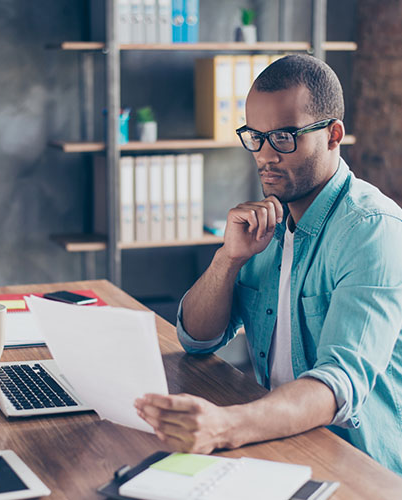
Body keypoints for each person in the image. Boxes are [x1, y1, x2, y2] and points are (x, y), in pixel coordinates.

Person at [135, 54, 402, 476]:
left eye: (283, 137)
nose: (264, 155)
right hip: (278, 441)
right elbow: (198, 339)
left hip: (357, 465)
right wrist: (229, 259)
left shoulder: (372, 231)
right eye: (254, 136)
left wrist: (225, 425)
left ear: (334, 135)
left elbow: (340, 383)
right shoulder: (268, 223)